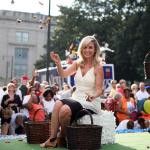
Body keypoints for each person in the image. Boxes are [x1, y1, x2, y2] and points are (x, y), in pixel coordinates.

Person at [40, 35, 104, 148]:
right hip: (76, 98)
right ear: (81, 49)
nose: (87, 50)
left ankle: (62, 137)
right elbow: (63, 74)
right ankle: (52, 139)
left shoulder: (98, 67)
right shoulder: (77, 63)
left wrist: (93, 96)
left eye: (90, 47)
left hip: (90, 102)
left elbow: (99, 90)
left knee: (64, 110)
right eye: (85, 47)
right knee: (58, 103)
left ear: (95, 50)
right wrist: (58, 63)